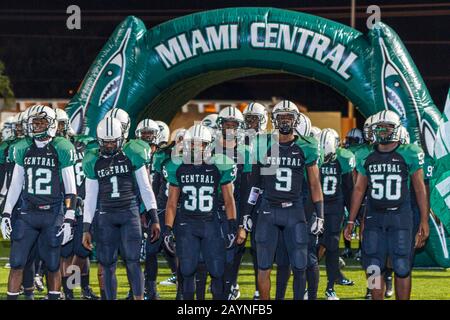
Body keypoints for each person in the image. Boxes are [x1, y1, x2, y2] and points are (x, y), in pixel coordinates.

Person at [344, 110, 430, 300]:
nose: (382, 132)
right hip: (374, 216)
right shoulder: (366, 155)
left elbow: (419, 189)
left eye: (387, 128)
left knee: (401, 266)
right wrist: (351, 221)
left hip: (401, 216)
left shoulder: (409, 153)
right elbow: (359, 190)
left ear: (397, 129)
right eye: (379, 128)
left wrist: (424, 220)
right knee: (373, 265)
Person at [243, 100, 324, 300]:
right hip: (268, 209)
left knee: (299, 264)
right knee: (263, 265)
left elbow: (314, 185)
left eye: (289, 117)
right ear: (275, 120)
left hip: (294, 210)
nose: (285, 121)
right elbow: (255, 184)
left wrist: (320, 215)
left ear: (296, 120)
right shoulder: (264, 143)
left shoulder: (306, 145)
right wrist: (246, 212)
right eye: (281, 117)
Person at [1, 105, 77, 300]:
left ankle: (54, 296)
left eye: (41, 122)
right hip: (28, 213)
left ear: (51, 124)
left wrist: (69, 217)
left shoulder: (61, 147)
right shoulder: (22, 148)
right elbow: (15, 185)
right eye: (34, 122)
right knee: (17, 262)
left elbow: (71, 189)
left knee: (52, 264)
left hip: (53, 213)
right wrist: (7, 213)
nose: (36, 126)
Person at [81, 117, 160, 300]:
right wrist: (86, 227)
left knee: (132, 261)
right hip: (106, 215)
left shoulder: (133, 152)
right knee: (107, 263)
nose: (108, 146)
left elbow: (145, 188)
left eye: (112, 141)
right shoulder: (93, 158)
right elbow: (91, 196)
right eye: (105, 142)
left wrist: (154, 218)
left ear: (122, 138)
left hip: (128, 212)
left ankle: (139, 298)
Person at [163, 124, 237, 300]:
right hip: (186, 224)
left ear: (208, 145)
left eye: (200, 144)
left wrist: (232, 226)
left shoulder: (218, 166)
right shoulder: (178, 167)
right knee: (187, 271)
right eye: (192, 144)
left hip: (210, 223)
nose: (196, 147)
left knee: (217, 271)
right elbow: (172, 202)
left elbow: (228, 199)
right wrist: (167, 228)